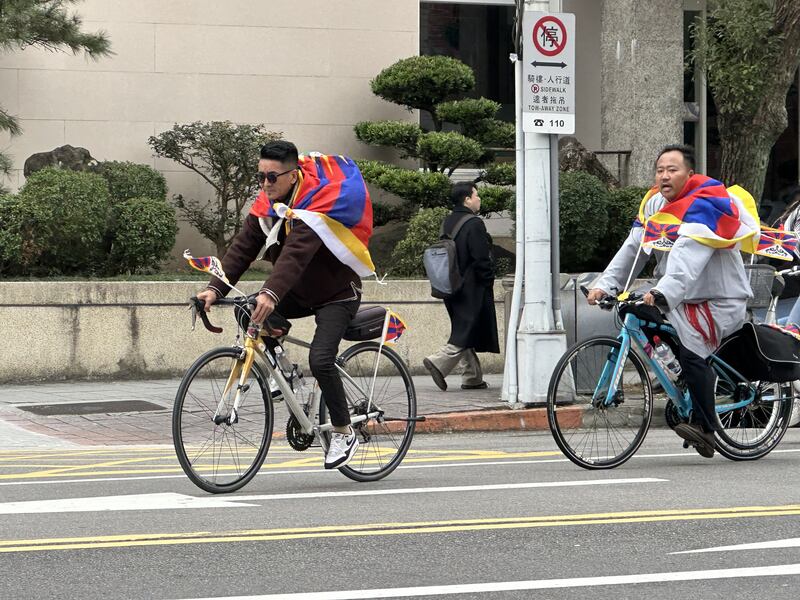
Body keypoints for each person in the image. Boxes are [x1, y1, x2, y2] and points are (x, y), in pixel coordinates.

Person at [196, 140, 368, 470]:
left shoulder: (316, 203)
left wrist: (271, 292)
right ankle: (287, 373)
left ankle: (345, 432)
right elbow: (242, 248)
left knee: (321, 359)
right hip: (300, 292)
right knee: (247, 307)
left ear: (293, 175)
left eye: (272, 177)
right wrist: (214, 289)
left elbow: (295, 255)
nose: (265, 184)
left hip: (337, 293)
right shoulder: (268, 202)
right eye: (260, 176)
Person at [587, 144, 754, 458]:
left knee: (693, 350)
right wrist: (605, 286)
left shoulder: (708, 202)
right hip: (679, 296)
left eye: (672, 169)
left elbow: (688, 256)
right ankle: (683, 384)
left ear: (689, 174)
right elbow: (634, 247)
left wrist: (663, 294)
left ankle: (706, 428)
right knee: (640, 316)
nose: (664, 176)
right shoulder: (654, 204)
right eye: (660, 170)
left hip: (718, 297)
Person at [423, 182, 500, 391]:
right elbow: (480, 257)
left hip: (450, 284)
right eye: (476, 195)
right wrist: (488, 280)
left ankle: (472, 377)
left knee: (465, 327)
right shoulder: (474, 223)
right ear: (467, 199)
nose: (479, 199)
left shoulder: (448, 222)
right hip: (471, 287)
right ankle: (438, 361)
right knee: (465, 330)